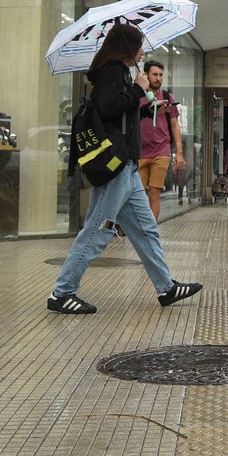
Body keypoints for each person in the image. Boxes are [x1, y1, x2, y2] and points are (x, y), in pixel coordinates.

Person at [48, 24, 202, 315]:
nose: (143, 51)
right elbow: (108, 107)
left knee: (146, 230)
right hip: (117, 166)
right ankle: (62, 292)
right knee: (98, 229)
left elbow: (119, 110)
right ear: (125, 46)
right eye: (139, 45)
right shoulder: (112, 71)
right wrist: (137, 89)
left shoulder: (119, 72)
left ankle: (166, 286)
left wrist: (144, 106)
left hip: (127, 168)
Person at [137, 60, 183, 220]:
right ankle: (141, 225)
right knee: (138, 194)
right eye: (155, 74)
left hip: (161, 151)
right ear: (146, 75)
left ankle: (151, 231)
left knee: (154, 192)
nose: (158, 78)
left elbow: (175, 125)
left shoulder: (166, 97)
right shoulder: (136, 96)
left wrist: (179, 153)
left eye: (161, 75)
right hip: (140, 152)